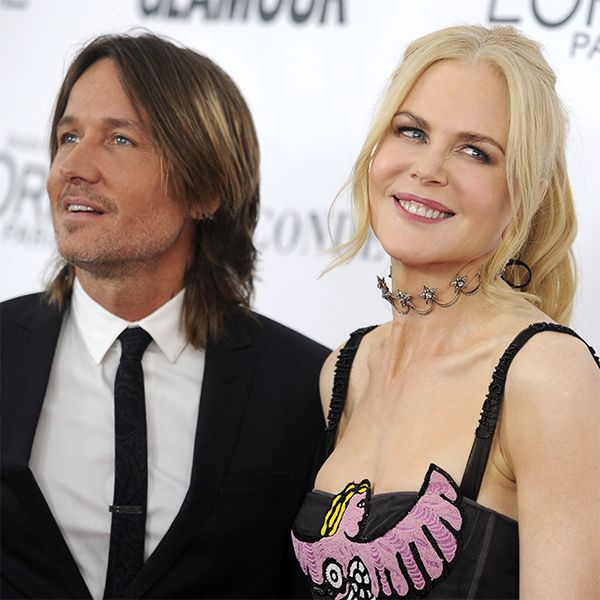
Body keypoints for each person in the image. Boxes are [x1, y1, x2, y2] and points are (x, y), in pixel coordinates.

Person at [0, 32, 329, 599]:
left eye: (120, 139)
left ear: (205, 190)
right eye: (68, 137)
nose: (73, 166)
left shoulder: (306, 385)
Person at [291, 24, 600, 599]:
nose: (428, 168)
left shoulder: (546, 376)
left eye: (475, 151)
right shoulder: (345, 370)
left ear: (527, 194)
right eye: (411, 131)